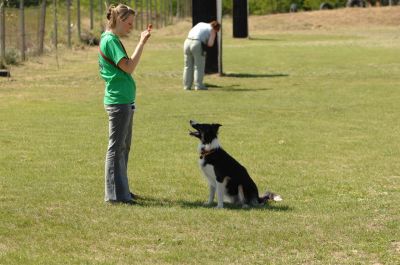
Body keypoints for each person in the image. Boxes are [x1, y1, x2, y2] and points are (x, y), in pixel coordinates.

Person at [98, 4, 151, 204]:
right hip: (118, 101)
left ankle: (123, 191)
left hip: (124, 100)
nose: (131, 27)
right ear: (119, 20)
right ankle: (114, 195)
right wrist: (141, 43)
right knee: (115, 148)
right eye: (129, 23)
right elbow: (128, 67)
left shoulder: (111, 39)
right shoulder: (110, 40)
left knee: (123, 147)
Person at [183, 20, 221, 91]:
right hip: (197, 43)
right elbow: (210, 44)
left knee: (187, 66)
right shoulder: (213, 30)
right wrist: (213, 36)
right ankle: (198, 86)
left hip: (187, 42)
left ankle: (186, 86)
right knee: (198, 66)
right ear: (216, 28)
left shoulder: (200, 23)